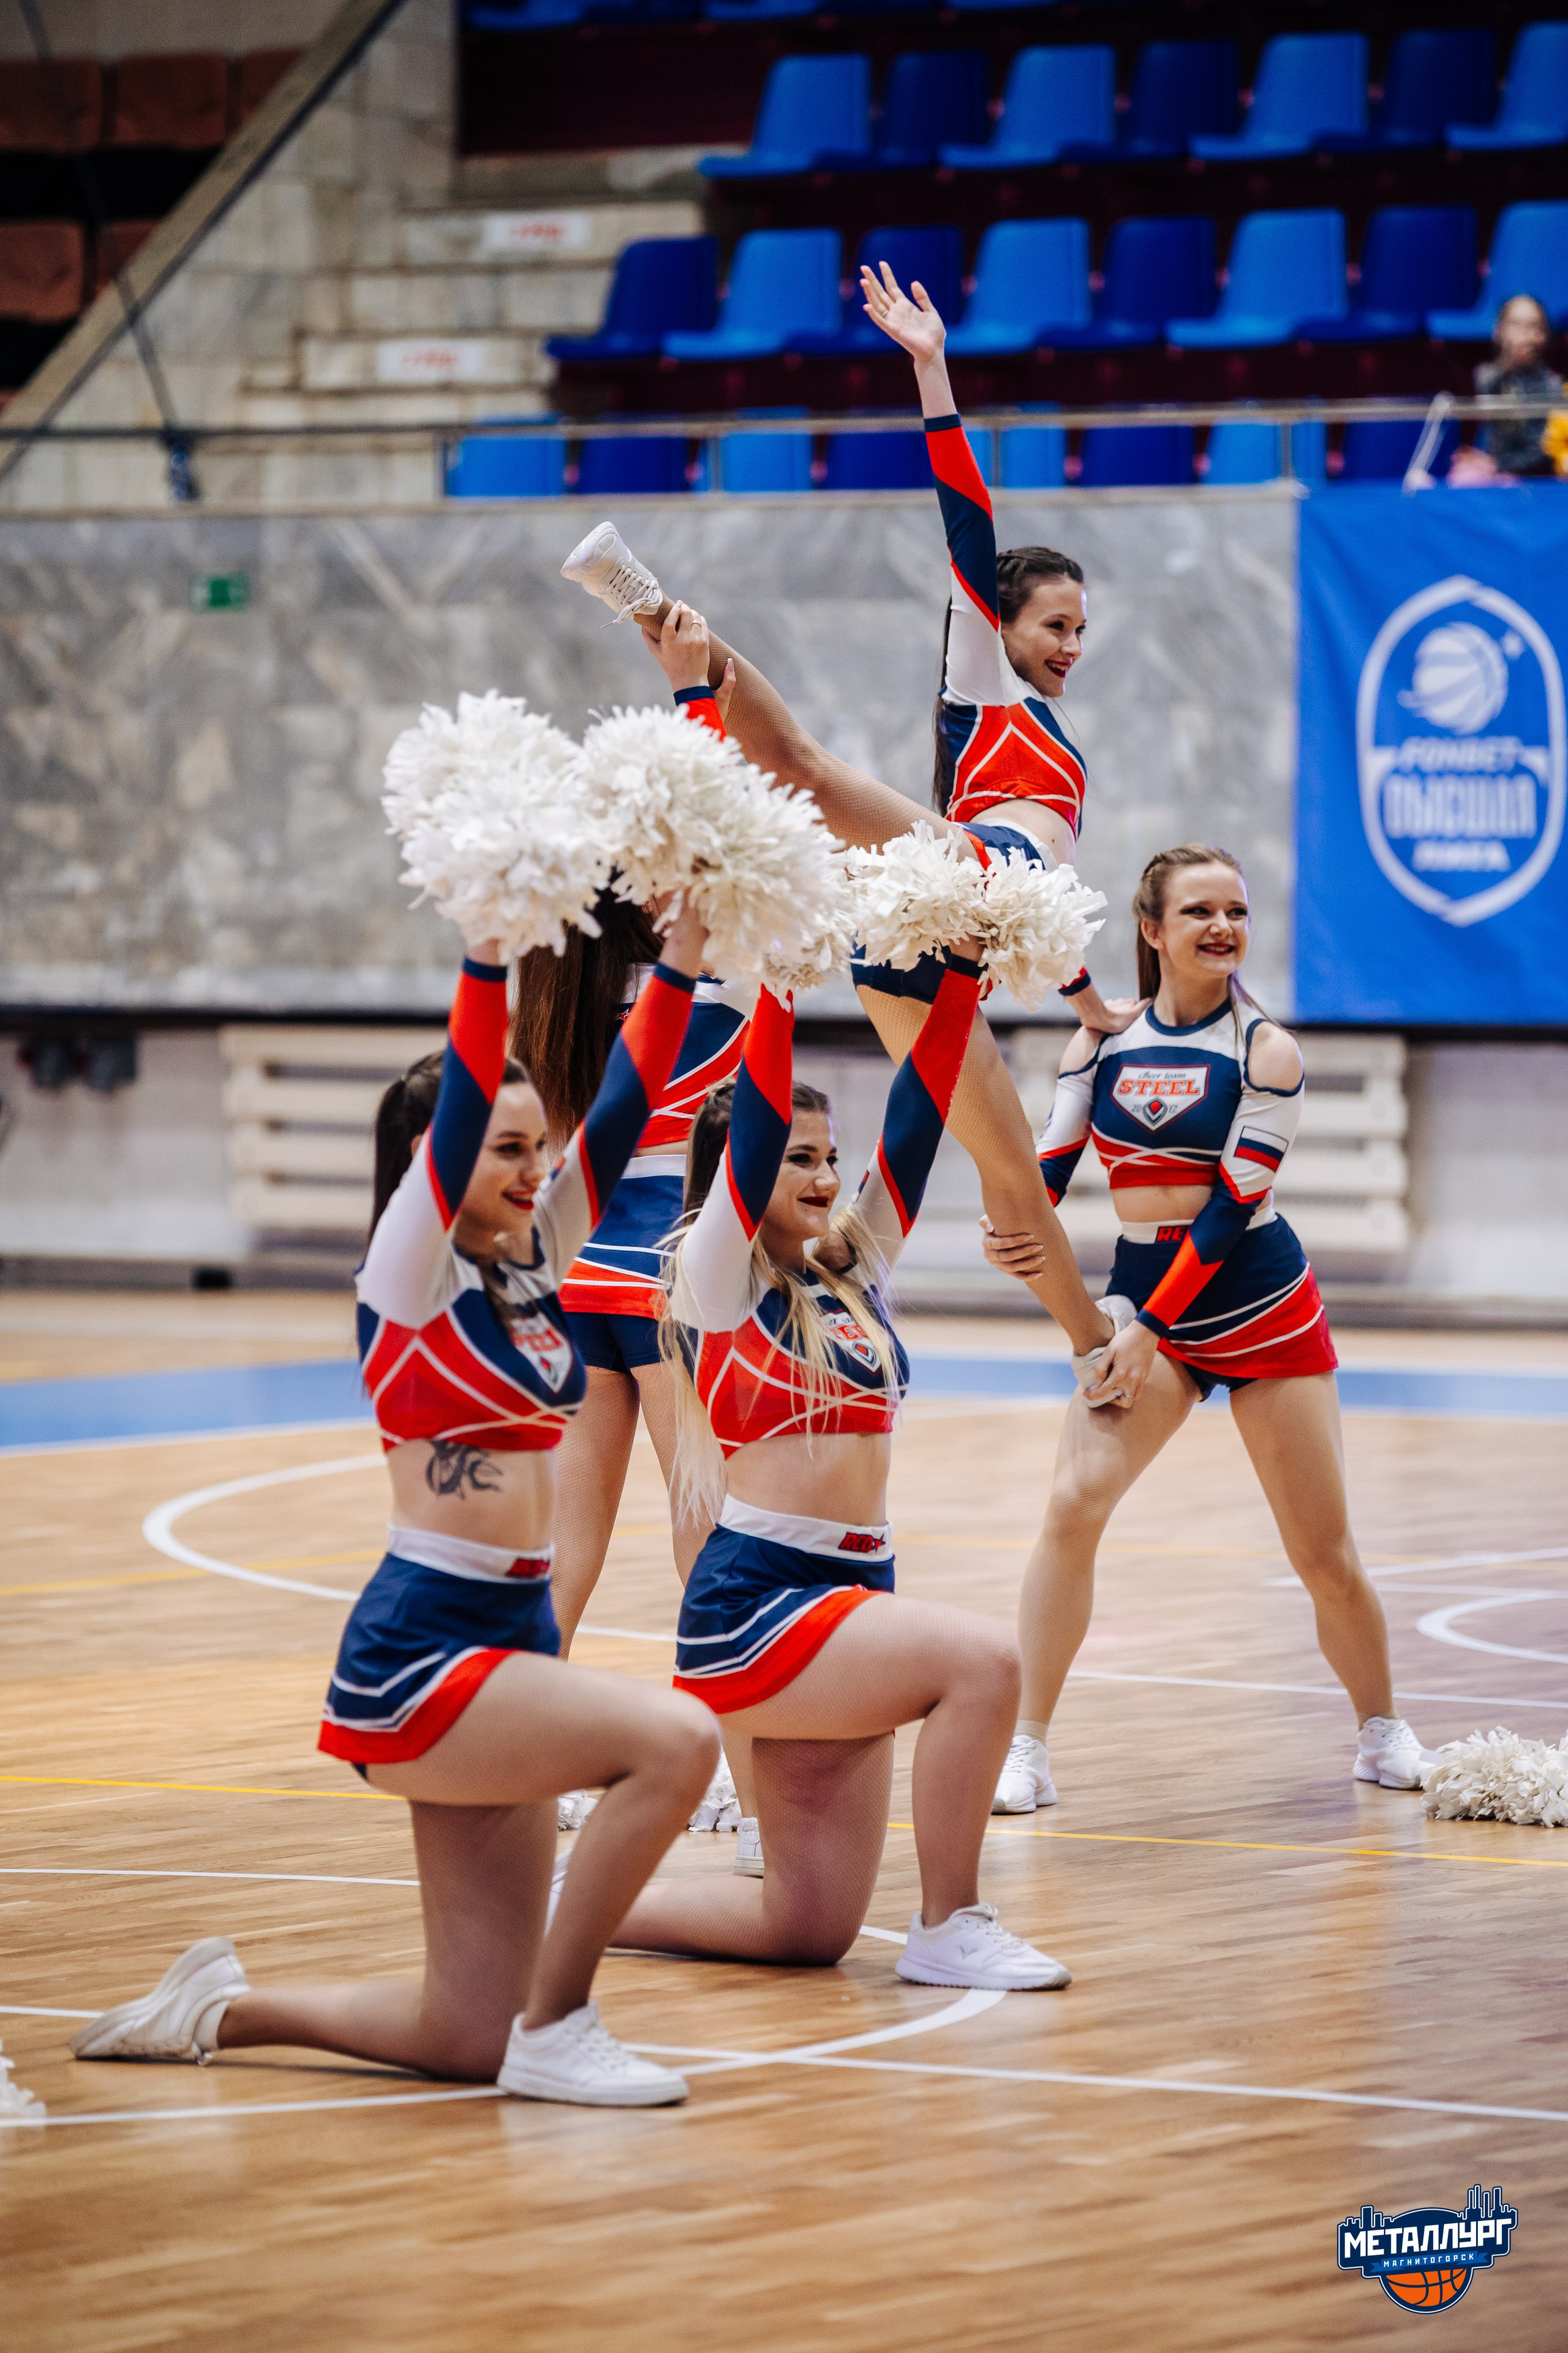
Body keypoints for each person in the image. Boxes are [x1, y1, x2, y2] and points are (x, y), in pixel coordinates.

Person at [70, 905, 728, 2109]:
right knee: (676, 1742)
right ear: (440, 1164)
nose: (535, 1172)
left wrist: (682, 959)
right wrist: (487, 948)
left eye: (539, 1150)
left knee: (462, 2029)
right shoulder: (405, 1274)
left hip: (515, 1639)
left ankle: (216, 2007)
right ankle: (565, 2021)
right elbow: (471, 1086)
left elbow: (626, 1108)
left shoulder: (532, 1263)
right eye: (504, 1150)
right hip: (428, 1650)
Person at [598, 920, 1072, 1990]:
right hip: (758, 1604)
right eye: (798, 1158)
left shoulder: (853, 1272)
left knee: (802, 1927)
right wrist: (776, 979)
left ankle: (578, 1901)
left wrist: (955, 972)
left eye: (829, 1158)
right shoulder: (718, 1284)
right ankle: (952, 1922)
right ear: (741, 1175)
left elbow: (917, 1117)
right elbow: (753, 1126)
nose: (823, 1175)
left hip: (856, 1590)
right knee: (986, 1663)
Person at [979, 844, 1436, 1811]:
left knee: (1323, 1553)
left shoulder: (1266, 1049)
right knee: (1072, 1507)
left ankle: (1380, 1727)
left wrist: (1143, 1325)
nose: (1223, 926)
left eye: (1235, 909)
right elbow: (1043, 1173)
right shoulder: (1098, 1046)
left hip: (1259, 1306)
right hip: (1148, 1308)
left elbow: (1232, 1206)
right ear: (1152, 931)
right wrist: (1016, 1225)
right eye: (1199, 912)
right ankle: (1027, 1747)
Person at [511, 665, 752, 1832]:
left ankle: (536, 1759)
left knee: (568, 1545)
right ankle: (719, 1769)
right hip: (667, 1289)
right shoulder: (696, 1004)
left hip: (581, 1286)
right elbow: (719, 831)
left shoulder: (567, 1001)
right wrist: (696, 694)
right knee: (709, 1527)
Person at [1451, 294, 1562, 484]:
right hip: (1491, 474)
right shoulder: (1484, 378)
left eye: (1534, 327)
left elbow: (1545, 449)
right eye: (1516, 326)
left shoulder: (1553, 386)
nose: (1525, 336)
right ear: (1499, 331)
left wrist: (1497, 465)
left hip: (1536, 479)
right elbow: (1491, 440)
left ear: (1545, 336)